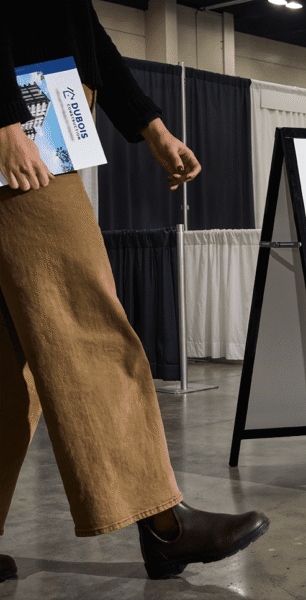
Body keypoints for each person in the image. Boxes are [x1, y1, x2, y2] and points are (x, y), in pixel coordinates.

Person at [0, 2, 268, 582]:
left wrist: (152, 125)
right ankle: (162, 522)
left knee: (8, 356)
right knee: (86, 320)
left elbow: (86, 33)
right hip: (22, 126)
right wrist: (2, 119)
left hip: (42, 118)